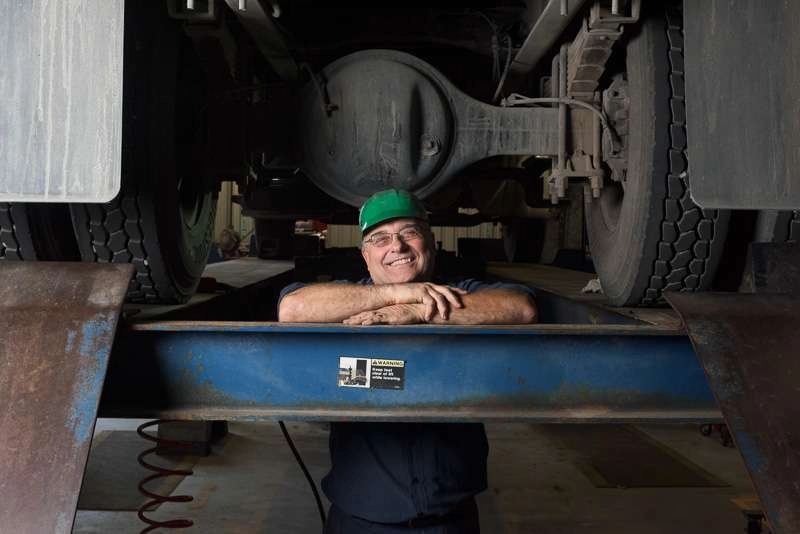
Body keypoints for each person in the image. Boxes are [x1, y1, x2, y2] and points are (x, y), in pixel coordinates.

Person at [279, 189, 538, 533]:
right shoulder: (351, 298)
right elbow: (293, 308)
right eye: (380, 238)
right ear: (365, 256)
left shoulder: (458, 293)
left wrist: (419, 311)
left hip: (450, 518)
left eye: (409, 233)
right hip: (360, 518)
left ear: (431, 241)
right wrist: (393, 294)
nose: (396, 246)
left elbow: (521, 307)